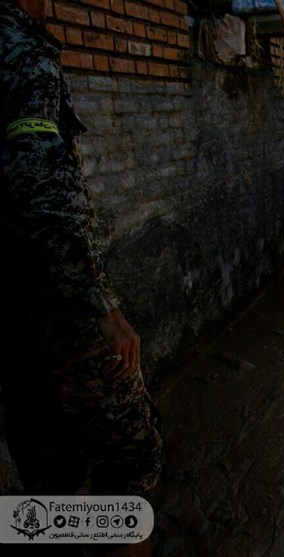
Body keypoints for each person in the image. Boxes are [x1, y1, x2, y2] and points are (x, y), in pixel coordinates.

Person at [0, 0, 163, 546]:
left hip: (14, 309)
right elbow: (42, 191)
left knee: (45, 460)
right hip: (53, 300)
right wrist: (104, 309)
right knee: (133, 457)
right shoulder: (22, 51)